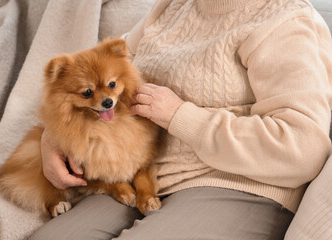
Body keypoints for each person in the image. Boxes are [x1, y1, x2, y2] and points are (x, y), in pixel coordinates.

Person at [30, 0, 332, 239]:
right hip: (143, 175)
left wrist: (180, 116)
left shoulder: (285, 21)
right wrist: (52, 137)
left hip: (235, 183)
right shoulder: (172, 7)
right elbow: (102, 73)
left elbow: (303, 147)